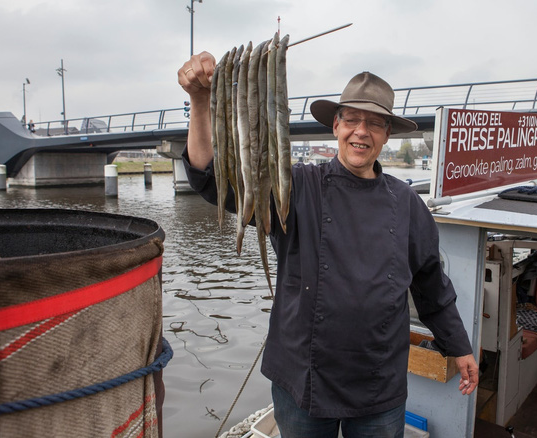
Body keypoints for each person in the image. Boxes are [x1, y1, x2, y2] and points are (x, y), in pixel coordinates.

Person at [178, 51, 478, 438]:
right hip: (303, 382)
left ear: (387, 134)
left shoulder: (408, 204)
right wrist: (201, 102)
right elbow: (212, 180)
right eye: (351, 119)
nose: (361, 131)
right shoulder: (296, 186)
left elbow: (432, 287)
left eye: (374, 123)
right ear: (335, 125)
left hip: (379, 387)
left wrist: (459, 347)